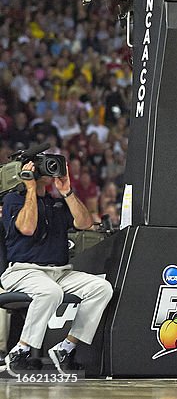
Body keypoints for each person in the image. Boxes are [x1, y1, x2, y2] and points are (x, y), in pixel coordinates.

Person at [2, 160, 113, 374]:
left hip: (60, 272)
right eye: (42, 165)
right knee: (50, 292)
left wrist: (67, 191)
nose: (48, 168)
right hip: (23, 270)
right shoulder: (13, 200)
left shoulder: (57, 203)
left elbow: (85, 223)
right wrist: (31, 188)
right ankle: (21, 350)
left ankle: (66, 347)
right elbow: (26, 228)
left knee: (101, 288)